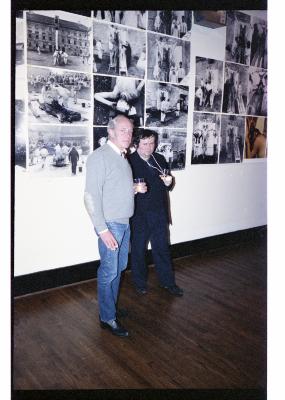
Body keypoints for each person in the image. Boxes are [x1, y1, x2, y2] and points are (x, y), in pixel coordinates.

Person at [84, 115, 145, 337]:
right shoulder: (100, 157)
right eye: (122, 130)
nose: (128, 135)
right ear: (110, 131)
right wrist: (103, 231)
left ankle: (110, 309)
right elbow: (90, 196)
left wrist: (133, 190)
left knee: (118, 269)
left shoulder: (121, 156)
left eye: (130, 131)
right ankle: (107, 318)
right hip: (110, 226)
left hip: (123, 223)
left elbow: (114, 190)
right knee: (109, 271)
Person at [129, 129, 183, 297]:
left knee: (162, 248)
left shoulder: (159, 159)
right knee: (138, 250)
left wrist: (169, 182)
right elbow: (120, 189)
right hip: (138, 215)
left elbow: (168, 185)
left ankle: (168, 282)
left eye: (152, 143)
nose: (149, 147)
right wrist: (133, 189)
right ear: (136, 144)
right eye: (145, 143)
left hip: (159, 212)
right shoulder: (128, 162)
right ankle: (139, 283)